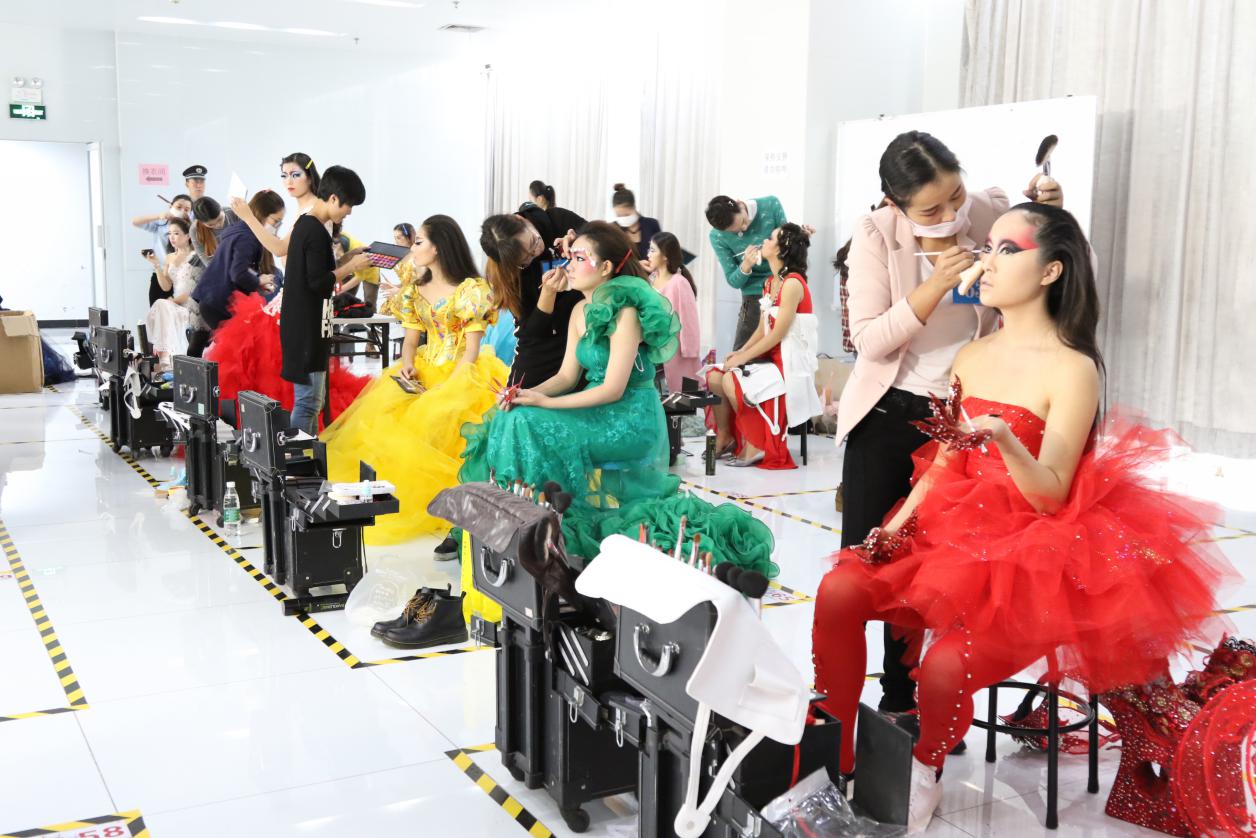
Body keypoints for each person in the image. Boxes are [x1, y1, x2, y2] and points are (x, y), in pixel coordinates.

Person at [811, 203, 1235, 832]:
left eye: (1007, 249)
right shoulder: (972, 354)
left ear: (1051, 271)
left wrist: (1006, 439)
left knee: (945, 664)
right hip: (949, 527)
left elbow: (1051, 495)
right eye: (988, 246)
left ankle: (925, 770)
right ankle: (833, 752)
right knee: (839, 588)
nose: (986, 261)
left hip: (1033, 549)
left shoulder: (1074, 368)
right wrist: (895, 529)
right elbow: (944, 462)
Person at [835, 130, 1066, 727]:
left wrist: (1048, 212)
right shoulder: (875, 236)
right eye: (931, 209)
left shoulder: (986, 210)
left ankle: (919, 697)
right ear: (895, 204)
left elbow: (1050, 262)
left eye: (955, 196)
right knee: (872, 564)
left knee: (942, 569)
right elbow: (868, 340)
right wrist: (935, 284)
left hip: (965, 419)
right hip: (889, 413)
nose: (950, 215)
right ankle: (865, 702)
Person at [460, 222, 776, 574]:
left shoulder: (626, 313)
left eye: (579, 258)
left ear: (606, 267)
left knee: (529, 423)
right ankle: (519, 531)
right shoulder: (579, 311)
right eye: (571, 257)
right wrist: (527, 393)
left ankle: (547, 533)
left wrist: (545, 403)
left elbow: (612, 388)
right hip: (596, 410)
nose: (568, 265)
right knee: (510, 416)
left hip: (629, 418)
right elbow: (567, 377)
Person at [322, 214, 510, 547]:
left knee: (447, 422)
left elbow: (471, 349)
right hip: (424, 367)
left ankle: (456, 504)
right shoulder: (414, 289)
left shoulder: (471, 290)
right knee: (392, 422)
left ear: (438, 248)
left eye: (419, 242)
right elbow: (410, 341)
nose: (412, 248)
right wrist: (408, 366)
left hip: (464, 371)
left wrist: (450, 387)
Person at [706, 224, 819, 468]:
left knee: (731, 379)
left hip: (788, 362)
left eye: (770, 238)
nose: (764, 241)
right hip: (771, 356)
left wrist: (744, 358)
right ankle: (726, 436)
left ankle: (756, 443)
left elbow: (778, 334)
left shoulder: (792, 284)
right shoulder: (770, 282)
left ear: (781, 249)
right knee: (715, 376)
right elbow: (761, 328)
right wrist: (740, 352)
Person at [279, 165, 372, 436]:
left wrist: (348, 257)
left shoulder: (308, 225)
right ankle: (300, 456)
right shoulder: (315, 231)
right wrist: (351, 266)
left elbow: (317, 270)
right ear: (333, 198)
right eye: (349, 205)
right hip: (307, 328)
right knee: (308, 402)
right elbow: (318, 281)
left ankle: (306, 455)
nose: (349, 212)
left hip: (305, 326)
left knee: (311, 402)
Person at [480, 200, 586, 387]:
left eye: (533, 242)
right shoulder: (510, 272)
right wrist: (548, 293)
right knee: (518, 396)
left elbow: (610, 250)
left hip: (586, 318)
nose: (537, 252)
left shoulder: (558, 220)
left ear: (520, 219)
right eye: (526, 259)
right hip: (547, 338)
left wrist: (581, 244)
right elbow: (532, 333)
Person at [191, 190, 284, 334]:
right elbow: (238, 272)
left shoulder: (240, 228)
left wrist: (256, 279)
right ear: (261, 214)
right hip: (217, 304)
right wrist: (258, 280)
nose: (277, 227)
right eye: (275, 221)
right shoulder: (246, 237)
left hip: (215, 301)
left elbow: (241, 267)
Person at [705, 193, 788, 351]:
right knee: (741, 355)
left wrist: (801, 237)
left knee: (782, 349)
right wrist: (746, 265)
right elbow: (733, 280)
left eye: (743, 222)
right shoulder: (717, 236)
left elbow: (789, 244)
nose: (744, 229)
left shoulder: (770, 205)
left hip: (782, 289)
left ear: (739, 204)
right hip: (754, 297)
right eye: (735, 232)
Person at [230, 152, 322, 258]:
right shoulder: (305, 208)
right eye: (284, 176)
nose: (289, 181)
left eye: (295, 175)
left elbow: (280, 250)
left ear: (310, 177)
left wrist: (249, 217)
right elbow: (288, 255)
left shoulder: (311, 210)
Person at [142, 217, 203, 369]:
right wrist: (156, 265)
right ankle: (165, 356)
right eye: (169, 234)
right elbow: (166, 286)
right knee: (161, 304)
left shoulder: (196, 256)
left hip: (191, 304)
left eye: (176, 233)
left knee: (162, 305)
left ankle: (165, 357)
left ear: (188, 236)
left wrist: (173, 301)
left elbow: (193, 289)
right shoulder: (169, 257)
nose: (172, 237)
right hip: (175, 304)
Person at [643, 232, 700, 390]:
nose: (648, 254)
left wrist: (690, 351)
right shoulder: (650, 280)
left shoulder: (679, 283)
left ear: (665, 256)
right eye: (649, 249)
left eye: (653, 250)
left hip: (676, 353)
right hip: (652, 350)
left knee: (682, 395)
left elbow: (689, 320)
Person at [132, 193, 192, 305]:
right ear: (170, 206)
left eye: (187, 209)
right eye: (178, 207)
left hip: (184, 281)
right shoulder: (161, 223)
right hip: (163, 274)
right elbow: (135, 222)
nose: (182, 211)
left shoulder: (192, 228)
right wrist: (159, 216)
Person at [611, 183, 662, 259]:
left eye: (626, 215)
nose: (623, 219)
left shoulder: (652, 225)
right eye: (619, 215)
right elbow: (612, 259)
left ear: (634, 207)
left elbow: (662, 253)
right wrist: (637, 264)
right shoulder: (612, 229)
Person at [189, 196, 239, 265]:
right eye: (211, 225)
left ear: (221, 209)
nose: (218, 225)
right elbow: (208, 261)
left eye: (220, 219)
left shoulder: (233, 213)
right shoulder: (195, 231)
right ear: (201, 222)